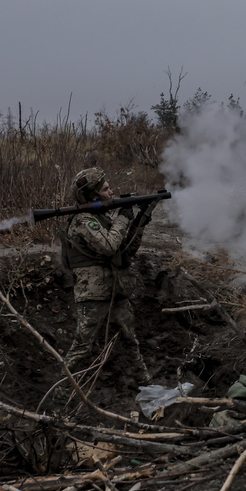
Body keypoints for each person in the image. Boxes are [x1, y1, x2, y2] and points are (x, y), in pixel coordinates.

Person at [53, 167, 157, 403]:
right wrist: (123, 217)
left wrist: (139, 221)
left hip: (115, 290)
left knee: (131, 342)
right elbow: (109, 245)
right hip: (92, 295)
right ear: (93, 196)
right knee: (81, 350)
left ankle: (147, 389)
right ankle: (58, 401)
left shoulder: (100, 217)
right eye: (105, 189)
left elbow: (123, 254)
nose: (111, 192)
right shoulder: (83, 220)